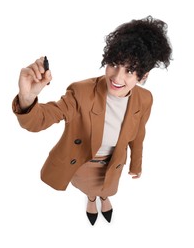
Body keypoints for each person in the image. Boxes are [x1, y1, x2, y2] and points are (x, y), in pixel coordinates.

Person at [12, 16, 172, 225]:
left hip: (114, 164)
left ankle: (104, 198)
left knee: (108, 190)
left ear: (143, 76)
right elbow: (41, 119)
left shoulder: (145, 99)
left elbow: (139, 134)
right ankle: (90, 198)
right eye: (114, 64)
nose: (117, 77)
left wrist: (136, 163)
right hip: (84, 162)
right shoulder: (81, 92)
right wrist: (27, 98)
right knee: (89, 189)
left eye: (130, 71)